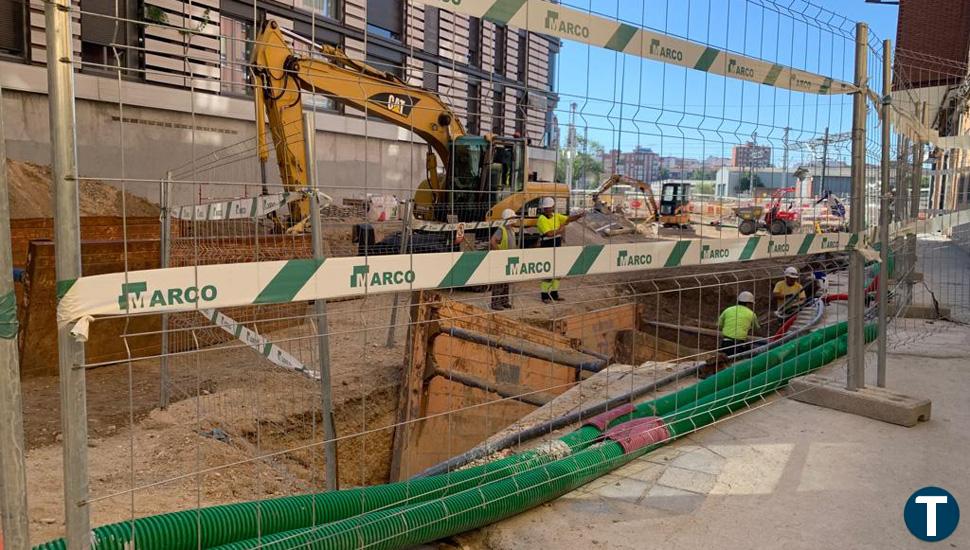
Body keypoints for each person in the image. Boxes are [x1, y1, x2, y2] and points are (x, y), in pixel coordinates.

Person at [536, 197, 585, 303]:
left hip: (556, 245)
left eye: (549, 208)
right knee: (548, 272)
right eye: (546, 208)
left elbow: (567, 219)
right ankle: (544, 296)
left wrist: (578, 216)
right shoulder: (541, 219)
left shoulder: (556, 216)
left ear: (553, 207)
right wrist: (560, 230)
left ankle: (554, 294)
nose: (548, 210)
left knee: (557, 271)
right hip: (547, 245)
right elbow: (548, 233)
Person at [490, 209, 518, 310]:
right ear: (508, 219)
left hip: (508, 259)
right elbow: (493, 241)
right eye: (513, 218)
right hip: (501, 259)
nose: (515, 219)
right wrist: (499, 253)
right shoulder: (501, 229)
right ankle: (496, 303)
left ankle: (504, 301)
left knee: (505, 282)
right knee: (499, 282)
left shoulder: (511, 229)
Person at [717, 291, 761, 355]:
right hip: (739, 345)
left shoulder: (728, 310)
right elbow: (757, 328)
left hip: (726, 342)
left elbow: (719, 325)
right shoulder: (752, 314)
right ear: (749, 304)